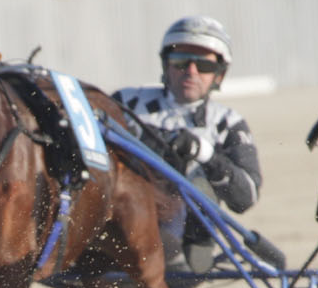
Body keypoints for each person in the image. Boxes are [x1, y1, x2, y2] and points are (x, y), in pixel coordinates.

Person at [113, 16, 268, 270]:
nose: (191, 72)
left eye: (204, 66)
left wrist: (205, 154)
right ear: (166, 66)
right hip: (121, 212)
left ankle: (169, 254)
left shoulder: (227, 124)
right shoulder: (128, 103)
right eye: (180, 61)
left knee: (193, 182)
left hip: (184, 234)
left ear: (219, 75)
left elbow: (246, 197)